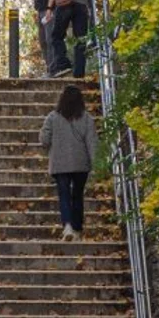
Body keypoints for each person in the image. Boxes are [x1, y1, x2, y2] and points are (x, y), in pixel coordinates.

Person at [40, 85, 98, 242]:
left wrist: (50, 145)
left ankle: (67, 226)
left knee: (64, 195)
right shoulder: (86, 119)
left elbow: (44, 140)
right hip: (81, 163)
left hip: (60, 163)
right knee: (77, 196)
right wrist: (96, 165)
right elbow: (92, 143)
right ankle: (77, 229)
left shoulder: (52, 117)